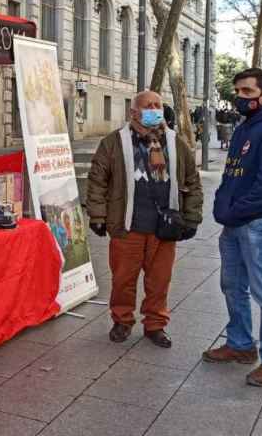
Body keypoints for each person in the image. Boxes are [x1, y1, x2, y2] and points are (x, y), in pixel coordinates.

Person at [203, 68, 262, 387]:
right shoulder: (246, 128)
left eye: (248, 92)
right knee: (232, 286)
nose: (241, 98)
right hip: (235, 225)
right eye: (238, 92)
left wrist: (234, 211)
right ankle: (241, 344)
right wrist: (221, 205)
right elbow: (233, 175)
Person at [86, 90, 203, 348]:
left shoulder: (175, 142)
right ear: (133, 112)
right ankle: (122, 320)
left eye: (158, 105)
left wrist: (192, 217)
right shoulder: (114, 143)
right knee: (123, 280)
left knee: (159, 281)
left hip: (164, 228)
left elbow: (193, 181)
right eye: (148, 105)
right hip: (128, 227)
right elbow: (97, 181)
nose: (154, 110)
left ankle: (155, 325)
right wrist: (97, 215)